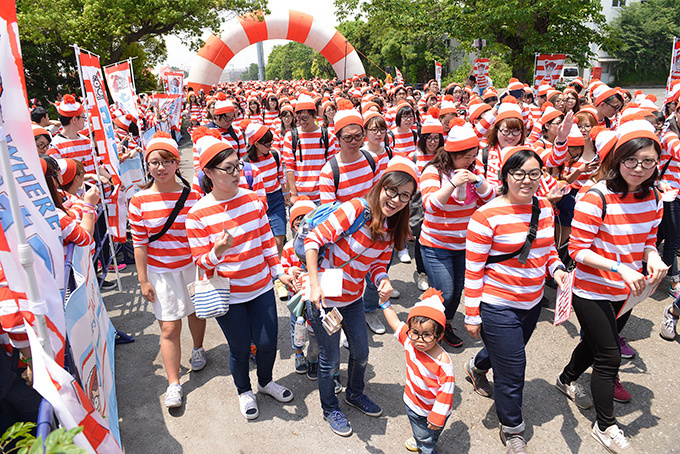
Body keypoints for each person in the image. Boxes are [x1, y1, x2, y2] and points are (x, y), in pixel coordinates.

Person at [556, 119, 667, 453]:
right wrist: (620, 266)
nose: (639, 168)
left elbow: (648, 239)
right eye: (631, 160)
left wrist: (653, 258)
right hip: (591, 289)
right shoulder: (596, 196)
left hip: (627, 292)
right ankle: (605, 426)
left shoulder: (655, 197)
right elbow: (577, 250)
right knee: (609, 356)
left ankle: (565, 379)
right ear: (618, 160)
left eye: (648, 161)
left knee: (594, 345)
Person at [463, 146, 567, 454]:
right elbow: (473, 268)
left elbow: (547, 251)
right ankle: (512, 429)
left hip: (532, 302)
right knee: (513, 369)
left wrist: (558, 270)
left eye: (534, 174)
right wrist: (471, 314)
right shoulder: (486, 215)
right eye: (519, 174)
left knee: (509, 353)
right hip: (497, 303)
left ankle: (476, 365)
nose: (527, 180)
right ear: (505, 176)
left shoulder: (544, 209)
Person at [304, 157, 418, 437]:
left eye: (405, 195)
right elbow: (313, 240)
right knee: (330, 361)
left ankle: (354, 394)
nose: (396, 199)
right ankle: (330, 407)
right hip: (324, 297)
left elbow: (378, 264)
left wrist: (383, 280)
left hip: (353, 297)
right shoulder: (354, 209)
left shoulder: (392, 227)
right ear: (381, 186)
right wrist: (314, 284)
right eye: (392, 190)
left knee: (361, 353)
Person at [186, 130, 295, 420]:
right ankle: (244, 390)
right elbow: (201, 262)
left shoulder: (252, 200)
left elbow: (266, 242)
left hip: (260, 287)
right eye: (229, 168)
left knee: (268, 341)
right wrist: (217, 251)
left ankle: (265, 381)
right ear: (208, 172)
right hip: (228, 294)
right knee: (238, 346)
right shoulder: (197, 214)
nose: (237, 173)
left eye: (239, 165)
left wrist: (279, 273)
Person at [129, 132, 207, 409]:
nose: (160, 168)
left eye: (166, 161)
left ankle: (198, 350)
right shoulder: (138, 201)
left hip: (192, 267)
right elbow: (139, 244)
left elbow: (202, 232)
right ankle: (174, 384)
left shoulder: (194, 194)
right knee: (169, 327)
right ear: (146, 165)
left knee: (197, 313)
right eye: (153, 162)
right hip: (160, 273)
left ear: (176, 163)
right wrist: (142, 279)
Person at [420, 118, 494, 349]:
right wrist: (452, 184)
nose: (472, 160)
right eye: (466, 156)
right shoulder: (433, 170)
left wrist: (477, 180)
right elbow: (430, 205)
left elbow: (490, 197)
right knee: (446, 291)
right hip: (435, 243)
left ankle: (445, 324)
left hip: (464, 244)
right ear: (452, 154)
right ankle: (427, 325)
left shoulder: (475, 169)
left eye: (474, 155)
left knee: (458, 290)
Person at [380, 289, 455, 454]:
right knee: (423, 433)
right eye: (415, 333)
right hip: (412, 403)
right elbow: (395, 322)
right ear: (410, 330)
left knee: (428, 439)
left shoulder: (443, 362)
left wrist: (437, 417)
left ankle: (426, 447)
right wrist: (385, 303)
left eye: (427, 335)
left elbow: (446, 393)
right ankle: (422, 439)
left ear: (440, 335)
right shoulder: (409, 341)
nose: (420, 340)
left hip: (433, 410)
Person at [282, 94, 338, 204]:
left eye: (305, 117)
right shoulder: (290, 137)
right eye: (299, 118)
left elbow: (332, 166)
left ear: (314, 115)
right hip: (300, 196)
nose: (302, 121)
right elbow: (289, 167)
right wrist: (293, 194)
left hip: (323, 195)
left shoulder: (328, 136)